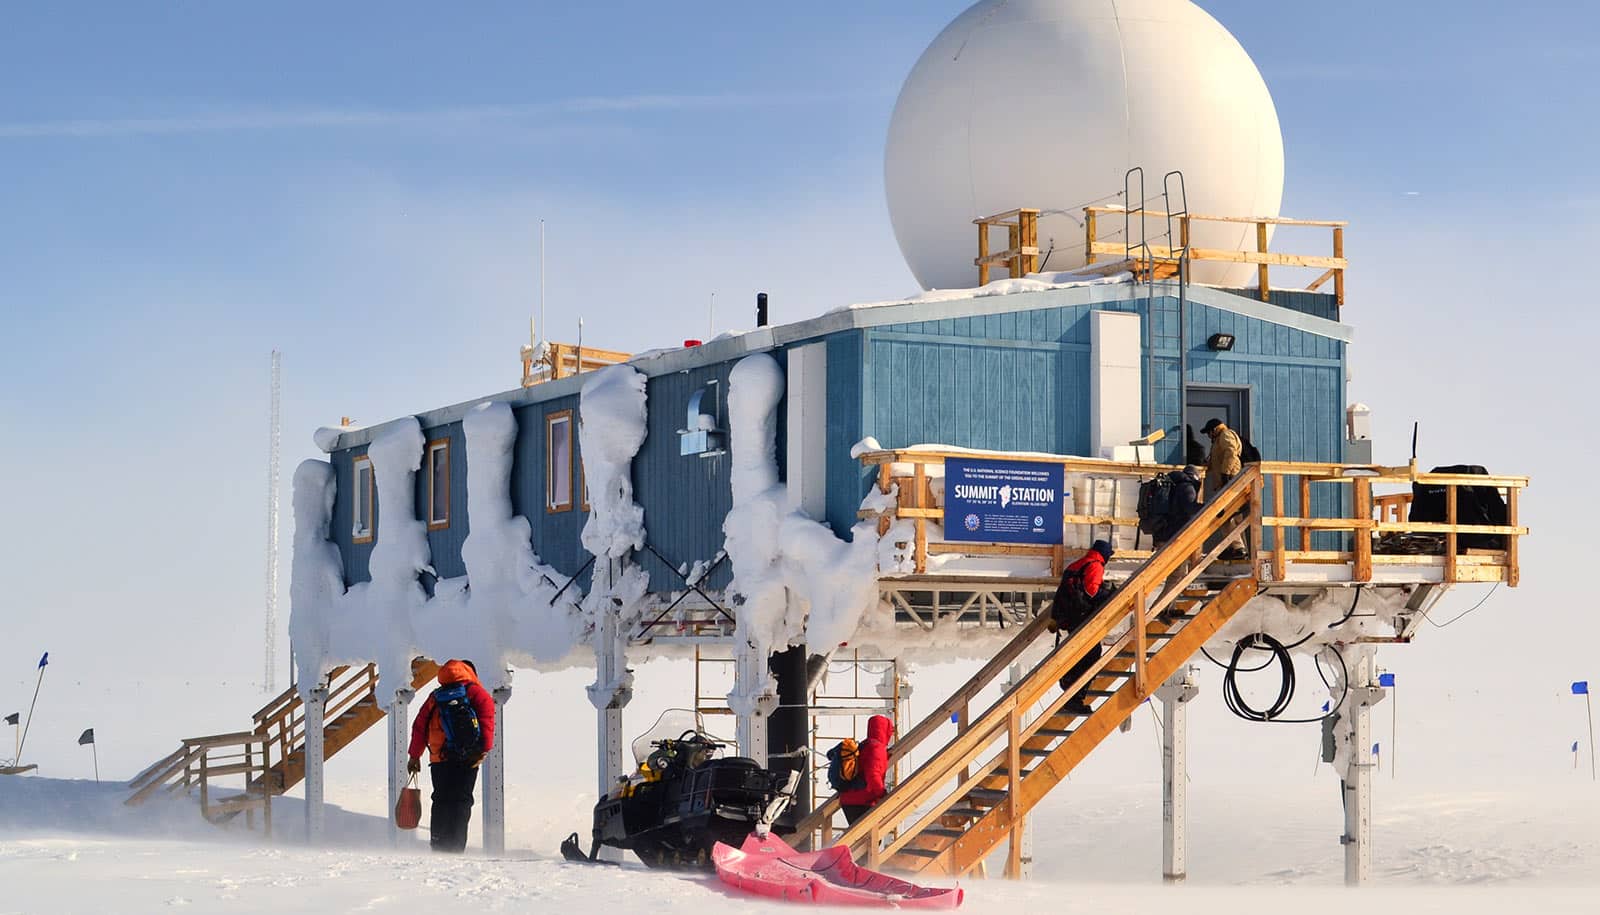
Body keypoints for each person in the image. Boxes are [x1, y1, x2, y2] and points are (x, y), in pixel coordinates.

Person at [407, 659, 496, 853]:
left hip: (439, 759)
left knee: (441, 799)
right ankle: (455, 847)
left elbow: (419, 726)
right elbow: (487, 720)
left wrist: (414, 756)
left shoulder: (435, 696)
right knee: (461, 801)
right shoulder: (476, 693)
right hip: (468, 758)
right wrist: (483, 750)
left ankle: (438, 843)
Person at [1054, 540, 1115, 717]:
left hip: (1069, 616)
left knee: (1084, 653)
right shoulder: (1096, 565)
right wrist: (1109, 594)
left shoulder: (1079, 563)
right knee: (1092, 653)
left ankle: (1070, 684)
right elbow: (1091, 591)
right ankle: (1073, 693)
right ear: (1105, 555)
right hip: (1080, 616)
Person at [838, 714, 894, 826]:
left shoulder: (865, 745)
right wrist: (882, 793)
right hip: (863, 800)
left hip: (849, 798)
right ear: (885, 731)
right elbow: (873, 773)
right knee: (869, 840)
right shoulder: (877, 748)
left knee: (860, 839)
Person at [1153, 465, 1202, 548]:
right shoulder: (1188, 488)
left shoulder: (1174, 485)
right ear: (1196, 477)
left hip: (1161, 531)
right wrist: (1208, 507)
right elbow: (1190, 508)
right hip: (1174, 534)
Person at [1201, 418, 1242, 499]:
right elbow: (1217, 460)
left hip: (1230, 477)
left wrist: (1225, 474)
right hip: (1223, 479)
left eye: (1208, 433)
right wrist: (1204, 467)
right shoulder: (1218, 439)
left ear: (1214, 430)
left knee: (1230, 503)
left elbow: (1231, 453)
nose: (1208, 436)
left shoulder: (1225, 434)